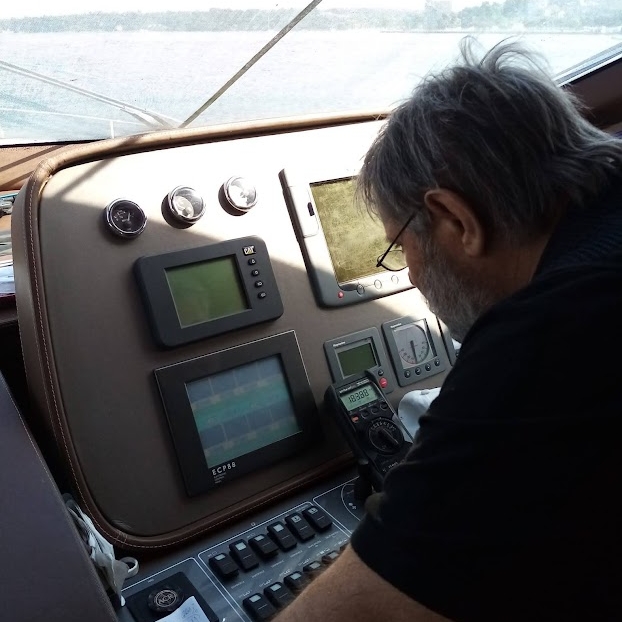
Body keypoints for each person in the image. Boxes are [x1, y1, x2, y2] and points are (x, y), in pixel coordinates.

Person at [274, 38, 622, 622]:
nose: (410, 274)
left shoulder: (552, 334)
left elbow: (367, 612)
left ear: (458, 221)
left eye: (400, 245)